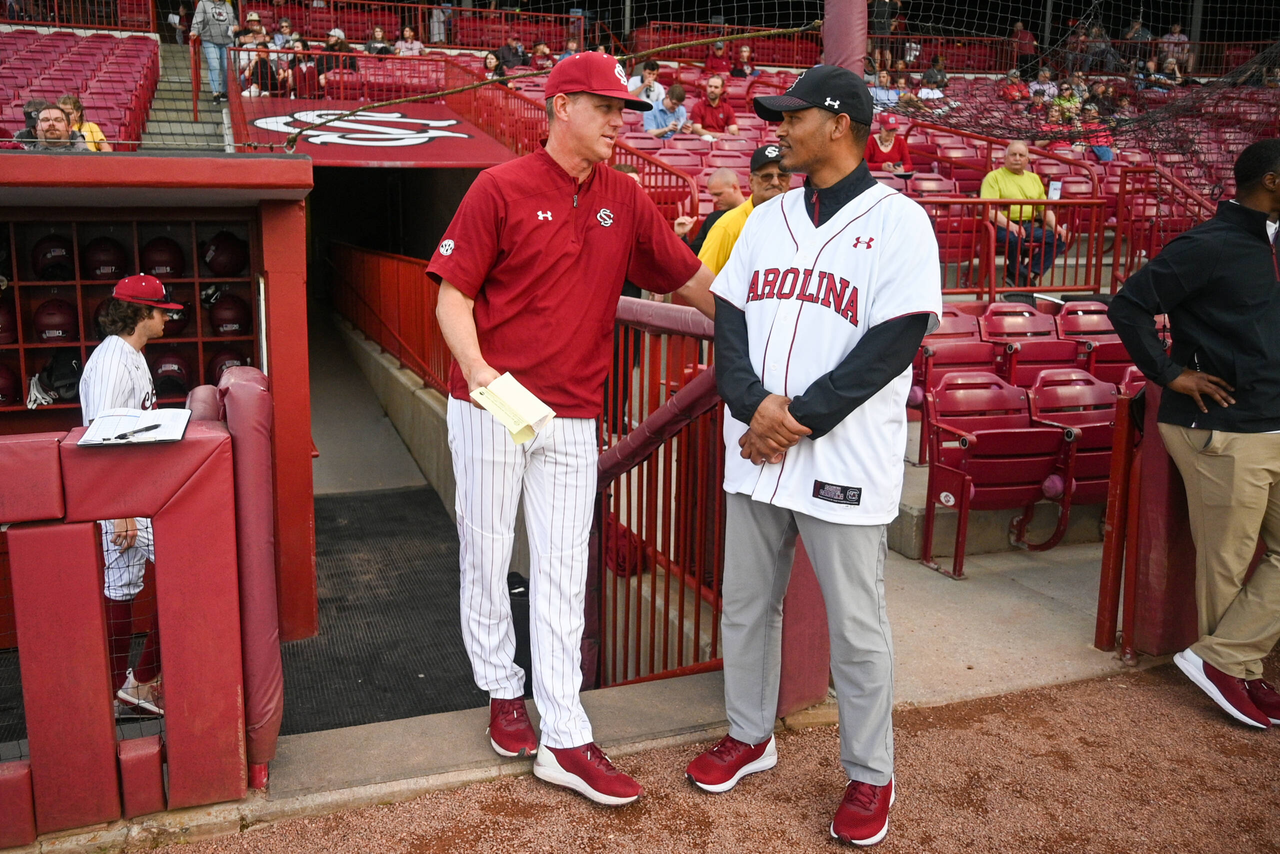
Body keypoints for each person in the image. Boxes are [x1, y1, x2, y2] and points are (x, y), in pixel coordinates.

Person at [427, 50, 714, 806]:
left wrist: (761, 334)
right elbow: (451, 296)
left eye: (625, 110)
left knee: (563, 571)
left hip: (575, 413)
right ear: (562, 108)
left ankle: (565, 731)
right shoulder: (499, 186)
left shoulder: (626, 194)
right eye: (608, 108)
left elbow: (690, 280)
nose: (622, 122)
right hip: (492, 404)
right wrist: (478, 371)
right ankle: (502, 690)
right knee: (487, 552)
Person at [686, 65, 940, 848]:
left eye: (794, 116)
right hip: (756, 448)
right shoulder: (768, 218)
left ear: (839, 125)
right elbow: (730, 318)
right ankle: (749, 734)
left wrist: (792, 419)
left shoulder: (900, 222)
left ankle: (870, 773)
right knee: (744, 606)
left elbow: (893, 343)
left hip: (840, 457)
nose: (781, 129)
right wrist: (749, 406)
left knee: (856, 626)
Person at [1107, 139, 1280, 731]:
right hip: (1220, 428)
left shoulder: (1271, 243)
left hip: (1271, 420)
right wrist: (1169, 372)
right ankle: (1233, 671)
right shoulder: (1210, 243)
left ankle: (1228, 659)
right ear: (1272, 181)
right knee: (1227, 561)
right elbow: (1129, 304)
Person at [80, 274, 185, 718]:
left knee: (121, 587)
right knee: (187, 570)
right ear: (140, 313)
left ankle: (119, 689)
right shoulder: (110, 362)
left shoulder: (133, 354)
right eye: (161, 311)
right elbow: (100, 438)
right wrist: (119, 508)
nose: (166, 318)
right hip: (121, 496)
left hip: (133, 492)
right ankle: (142, 681)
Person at [980, 141, 1066, 287]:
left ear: (1027, 160)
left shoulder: (1034, 178)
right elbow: (990, 211)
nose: (1017, 158)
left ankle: (1026, 273)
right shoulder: (993, 177)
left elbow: (1044, 209)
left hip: (1027, 225)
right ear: (1005, 158)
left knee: (1059, 238)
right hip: (1001, 226)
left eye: (1021, 155)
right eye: (1013, 155)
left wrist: (1055, 226)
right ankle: (1017, 272)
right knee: (1015, 237)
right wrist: (1011, 225)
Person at [697, 143, 791, 275]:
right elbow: (702, 279)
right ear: (751, 181)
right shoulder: (728, 226)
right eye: (766, 177)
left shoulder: (800, 221)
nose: (775, 182)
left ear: (789, 180)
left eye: (782, 176)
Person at [190, 0, 236, 104]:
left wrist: (235, 27)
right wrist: (195, 31)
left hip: (227, 41)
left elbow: (233, 22)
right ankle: (215, 93)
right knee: (214, 65)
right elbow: (198, 20)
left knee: (227, 67)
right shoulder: (203, 3)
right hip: (209, 40)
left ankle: (224, 91)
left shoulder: (227, 6)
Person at [868, 0, 901, 72]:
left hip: (882, 28)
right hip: (878, 28)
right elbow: (899, 4)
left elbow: (898, 4)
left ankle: (883, 68)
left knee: (883, 50)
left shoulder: (885, 3)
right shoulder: (876, 3)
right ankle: (880, 68)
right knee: (880, 50)